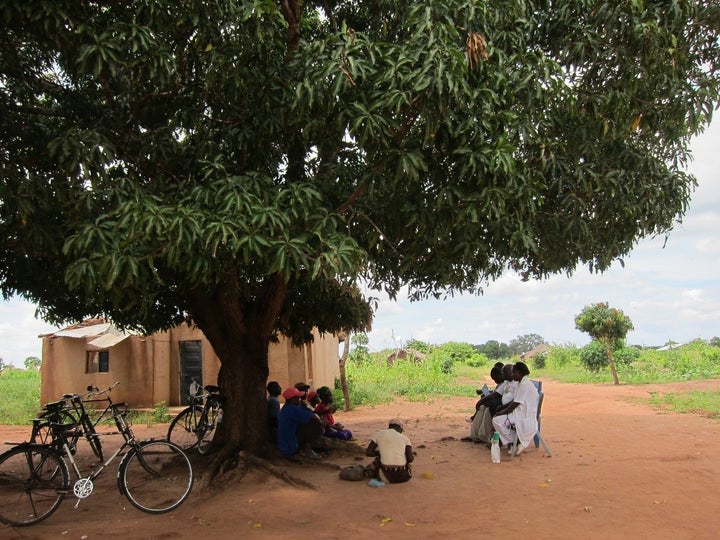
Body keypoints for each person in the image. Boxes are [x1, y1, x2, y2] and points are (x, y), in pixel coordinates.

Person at [491, 362, 539, 455]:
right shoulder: (520, 383)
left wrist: (502, 412)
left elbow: (515, 403)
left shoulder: (524, 384)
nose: (512, 375)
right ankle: (517, 441)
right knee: (497, 420)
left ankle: (518, 441)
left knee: (496, 421)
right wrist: (503, 408)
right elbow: (514, 401)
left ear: (520, 372)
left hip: (524, 415)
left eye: (514, 373)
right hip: (519, 412)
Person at [462, 363, 515, 444]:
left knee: (488, 410)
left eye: (504, 373)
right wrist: (481, 401)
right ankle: (475, 435)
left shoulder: (517, 384)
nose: (503, 375)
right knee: (482, 408)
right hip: (502, 406)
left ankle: (484, 436)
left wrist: (502, 408)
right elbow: (495, 393)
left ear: (512, 373)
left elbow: (515, 401)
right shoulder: (507, 382)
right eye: (503, 373)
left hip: (509, 409)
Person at [278, 386, 324, 460]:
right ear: (293, 399)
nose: (299, 400)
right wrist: (321, 423)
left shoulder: (286, 408)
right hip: (290, 447)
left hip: (284, 445)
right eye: (298, 398)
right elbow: (313, 417)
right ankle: (306, 450)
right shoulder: (293, 409)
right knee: (314, 424)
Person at [365, 419, 414, 483]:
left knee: (378, 460)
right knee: (406, 460)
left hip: (384, 477)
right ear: (399, 427)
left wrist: (380, 453)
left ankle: (373, 472)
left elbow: (369, 453)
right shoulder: (405, 438)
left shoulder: (378, 434)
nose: (401, 432)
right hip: (403, 478)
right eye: (401, 430)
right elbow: (410, 459)